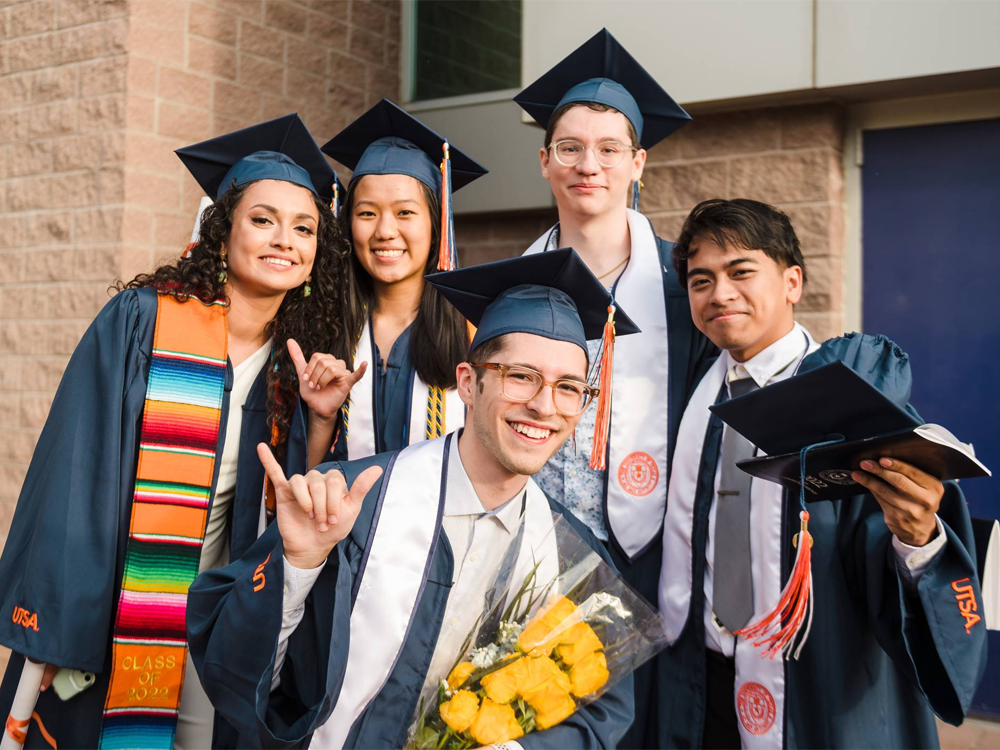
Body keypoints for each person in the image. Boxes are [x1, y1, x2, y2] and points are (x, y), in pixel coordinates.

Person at [0, 114, 359, 749]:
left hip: (215, 617)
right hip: (114, 608)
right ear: (221, 236)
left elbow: (287, 503)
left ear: (312, 262)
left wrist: (321, 415)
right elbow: (74, 474)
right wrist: (65, 625)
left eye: (304, 229)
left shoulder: (292, 364)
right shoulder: (142, 322)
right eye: (262, 219)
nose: (285, 240)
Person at [185, 249, 639, 749]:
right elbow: (235, 676)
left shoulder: (572, 558)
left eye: (569, 387)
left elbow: (601, 715)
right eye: (521, 376)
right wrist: (296, 566)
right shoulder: (351, 506)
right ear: (468, 382)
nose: (544, 405)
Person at [656, 198, 987, 749]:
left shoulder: (849, 403)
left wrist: (919, 539)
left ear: (792, 282)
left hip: (817, 691)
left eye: (741, 272)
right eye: (701, 280)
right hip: (696, 681)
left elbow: (898, 544)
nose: (720, 294)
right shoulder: (687, 397)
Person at [514, 28, 715, 746]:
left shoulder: (687, 285)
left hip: (648, 562)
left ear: (639, 163)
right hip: (523, 560)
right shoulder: (507, 288)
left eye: (608, 148)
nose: (587, 164)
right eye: (569, 147)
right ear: (545, 162)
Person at [319, 99, 488, 460]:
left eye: (405, 212)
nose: (385, 231)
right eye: (367, 213)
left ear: (436, 225)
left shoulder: (477, 334)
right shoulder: (326, 327)